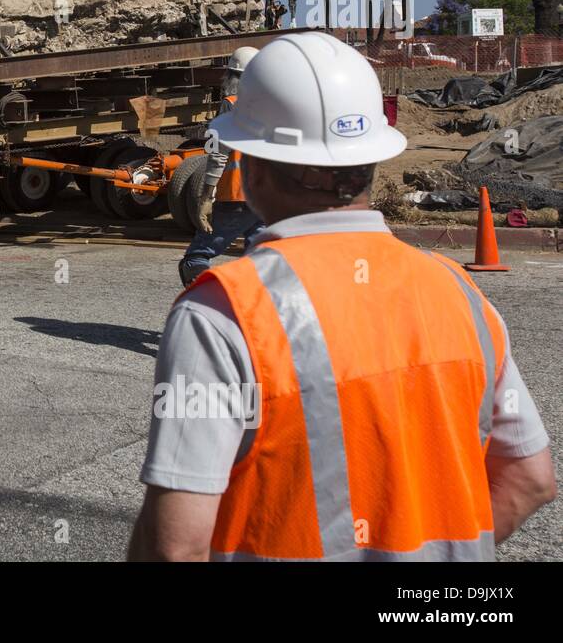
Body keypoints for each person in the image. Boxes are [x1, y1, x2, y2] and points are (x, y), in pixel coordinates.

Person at [131, 32, 554, 561]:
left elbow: (177, 548)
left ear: (253, 164)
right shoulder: (460, 292)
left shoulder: (224, 313)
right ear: (373, 158)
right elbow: (529, 481)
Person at [177, 46, 264, 287]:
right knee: (258, 260)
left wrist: (207, 195)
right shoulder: (273, 106)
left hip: (236, 194)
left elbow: (218, 153)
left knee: (197, 256)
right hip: (267, 196)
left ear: (232, 76)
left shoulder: (230, 104)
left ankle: (204, 304)